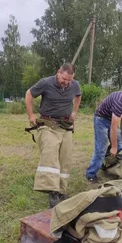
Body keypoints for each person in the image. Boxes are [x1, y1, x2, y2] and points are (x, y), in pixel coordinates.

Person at [25, 63, 82, 208]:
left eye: (69, 80)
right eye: (64, 79)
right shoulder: (45, 83)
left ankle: (62, 190)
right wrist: (31, 115)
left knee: (65, 158)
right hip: (48, 124)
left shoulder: (74, 85)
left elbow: (78, 96)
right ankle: (53, 191)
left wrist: (75, 112)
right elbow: (29, 94)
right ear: (58, 72)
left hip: (66, 125)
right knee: (50, 155)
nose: (66, 83)